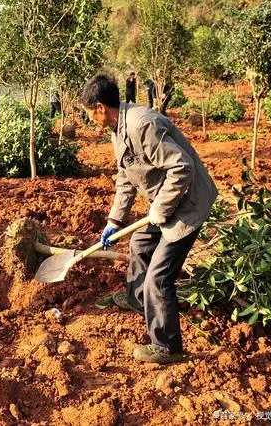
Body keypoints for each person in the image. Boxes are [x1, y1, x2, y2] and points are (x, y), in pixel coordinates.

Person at [79, 73, 218, 364]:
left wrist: (160, 209)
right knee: (140, 243)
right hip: (169, 203)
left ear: (101, 108)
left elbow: (182, 167)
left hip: (188, 204)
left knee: (158, 276)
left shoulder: (144, 125)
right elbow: (125, 176)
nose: (90, 119)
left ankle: (168, 346)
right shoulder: (119, 129)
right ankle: (138, 300)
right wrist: (114, 221)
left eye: (89, 113)